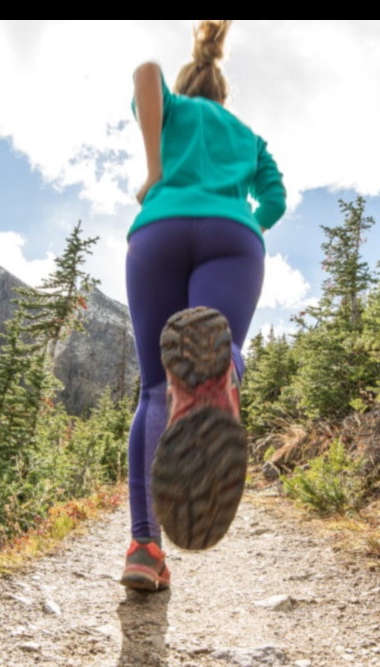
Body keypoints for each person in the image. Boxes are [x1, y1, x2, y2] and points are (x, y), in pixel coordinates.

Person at [121, 20, 286, 591]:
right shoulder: (246, 135)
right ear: (221, 90)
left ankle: (144, 548)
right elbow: (276, 198)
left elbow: (145, 73)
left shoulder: (173, 112)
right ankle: (222, 377)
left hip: (159, 233)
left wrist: (155, 172)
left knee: (152, 391)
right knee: (221, 346)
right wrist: (246, 225)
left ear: (190, 84)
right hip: (232, 238)